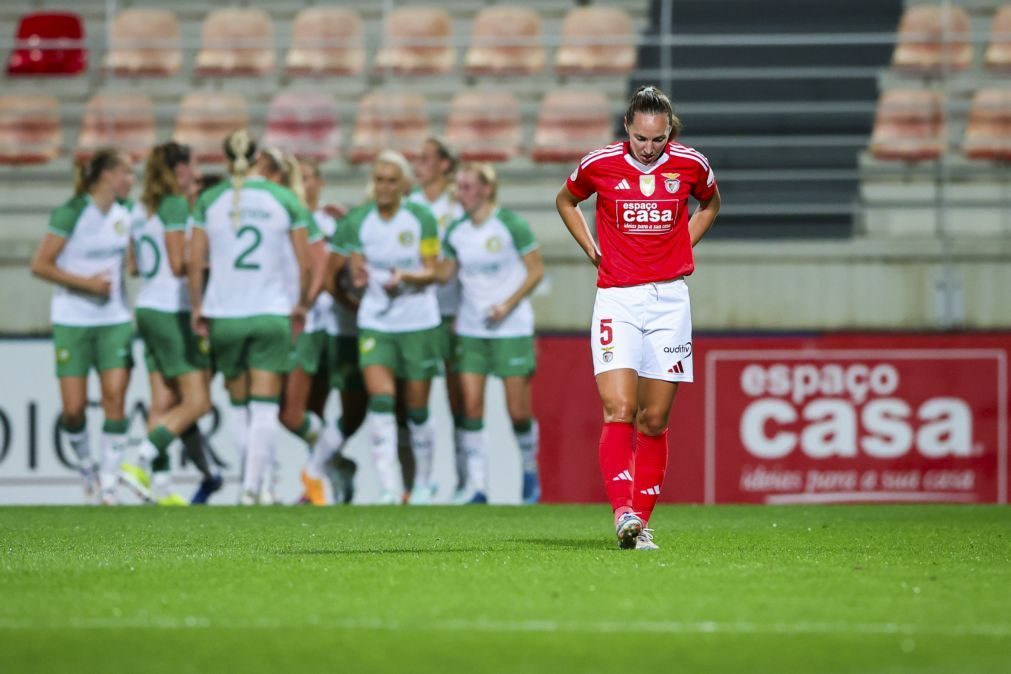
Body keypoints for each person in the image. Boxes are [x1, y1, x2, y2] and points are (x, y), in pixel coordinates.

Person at [555, 85, 721, 550]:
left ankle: (639, 526)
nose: (649, 148)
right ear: (627, 128)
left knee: (654, 418)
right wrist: (593, 250)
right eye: (641, 138)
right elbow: (566, 200)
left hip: (670, 301)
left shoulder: (692, 164)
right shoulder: (599, 163)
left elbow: (711, 204)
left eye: (658, 139)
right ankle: (622, 511)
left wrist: (682, 244)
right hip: (618, 299)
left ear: (670, 133)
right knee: (619, 409)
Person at [188, 130, 312, 505]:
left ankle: (253, 483)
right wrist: (301, 303)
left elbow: (194, 261)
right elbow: (305, 263)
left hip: (225, 313)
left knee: (239, 405)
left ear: (225, 160)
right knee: (264, 407)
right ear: (258, 158)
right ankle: (255, 488)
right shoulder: (284, 198)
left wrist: (197, 306)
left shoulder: (209, 200)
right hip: (270, 312)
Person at [332, 150, 442, 505]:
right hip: (376, 321)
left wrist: (406, 276)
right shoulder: (358, 220)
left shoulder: (421, 217)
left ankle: (423, 484)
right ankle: (388, 487)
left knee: (417, 409)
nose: (383, 187)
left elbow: (432, 270)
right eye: (379, 179)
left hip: (418, 321)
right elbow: (352, 271)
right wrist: (357, 277)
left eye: (391, 180)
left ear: (404, 185)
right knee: (380, 399)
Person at [30, 148, 136, 504]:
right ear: (107, 175)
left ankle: (108, 481)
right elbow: (41, 265)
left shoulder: (127, 214)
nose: (131, 181)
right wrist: (86, 284)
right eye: (127, 173)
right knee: (73, 409)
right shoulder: (72, 213)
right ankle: (87, 464)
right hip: (73, 320)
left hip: (115, 320)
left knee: (115, 399)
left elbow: (133, 265)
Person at [440, 163, 544, 504]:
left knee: (517, 411)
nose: (461, 192)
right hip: (471, 329)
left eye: (468, 186)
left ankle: (530, 471)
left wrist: (508, 304)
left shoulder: (510, 224)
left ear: (486, 189)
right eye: (458, 186)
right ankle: (478, 487)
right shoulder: (455, 231)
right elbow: (446, 274)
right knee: (471, 408)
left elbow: (535, 271)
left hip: (511, 329)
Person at [124, 141, 215, 505]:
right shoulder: (175, 205)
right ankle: (141, 459)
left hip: (146, 305)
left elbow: (133, 266)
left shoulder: (138, 209)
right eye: (192, 164)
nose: (195, 171)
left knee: (162, 400)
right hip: (171, 309)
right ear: (178, 170)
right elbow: (179, 264)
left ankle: (159, 488)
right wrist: (212, 263)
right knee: (198, 402)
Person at [298, 158, 364, 505]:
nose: (301, 183)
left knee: (350, 407)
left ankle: (317, 472)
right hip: (304, 325)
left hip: (335, 325)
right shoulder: (283, 216)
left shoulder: (332, 220)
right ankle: (329, 464)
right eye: (297, 177)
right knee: (294, 411)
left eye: (306, 176)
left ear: (319, 181)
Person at [407, 137, 467, 498]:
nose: (419, 165)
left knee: (459, 398)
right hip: (416, 311)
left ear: (445, 164)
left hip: (455, 308)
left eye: (427, 158)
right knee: (415, 398)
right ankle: (419, 482)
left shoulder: (459, 204)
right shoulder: (408, 204)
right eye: (418, 158)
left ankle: (466, 481)